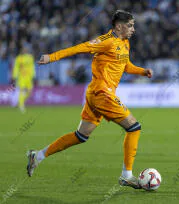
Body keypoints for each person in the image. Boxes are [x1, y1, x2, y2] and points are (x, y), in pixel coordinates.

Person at [26, 10, 153, 189]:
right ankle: (126, 176)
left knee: (81, 136)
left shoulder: (125, 43)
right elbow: (80, 48)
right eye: (130, 25)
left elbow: (125, 65)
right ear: (118, 26)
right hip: (102, 93)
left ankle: (37, 156)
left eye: (133, 25)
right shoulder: (106, 41)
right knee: (134, 127)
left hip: (96, 94)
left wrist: (141, 71)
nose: (133, 29)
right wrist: (51, 57)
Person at [12, 46, 35, 113]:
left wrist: (33, 75)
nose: (24, 50)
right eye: (23, 50)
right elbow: (16, 67)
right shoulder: (18, 58)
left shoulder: (30, 57)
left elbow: (32, 67)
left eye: (25, 49)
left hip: (29, 77)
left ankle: (20, 102)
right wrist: (15, 76)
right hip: (21, 77)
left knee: (30, 92)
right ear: (21, 50)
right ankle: (21, 105)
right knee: (22, 91)